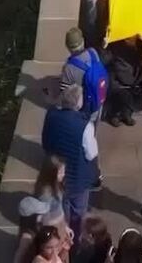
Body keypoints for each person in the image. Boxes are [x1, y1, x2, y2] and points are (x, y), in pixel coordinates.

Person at [41, 84, 99, 243]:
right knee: (78, 212)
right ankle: (74, 242)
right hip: (78, 178)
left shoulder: (51, 115)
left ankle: (61, 238)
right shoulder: (85, 125)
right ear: (78, 103)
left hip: (57, 174)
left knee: (61, 207)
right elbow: (91, 153)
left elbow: (45, 143)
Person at [103, 35, 142, 126]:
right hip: (119, 79)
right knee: (122, 93)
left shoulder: (140, 43)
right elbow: (106, 59)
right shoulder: (116, 43)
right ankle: (114, 114)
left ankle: (127, 112)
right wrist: (105, 45)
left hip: (134, 77)